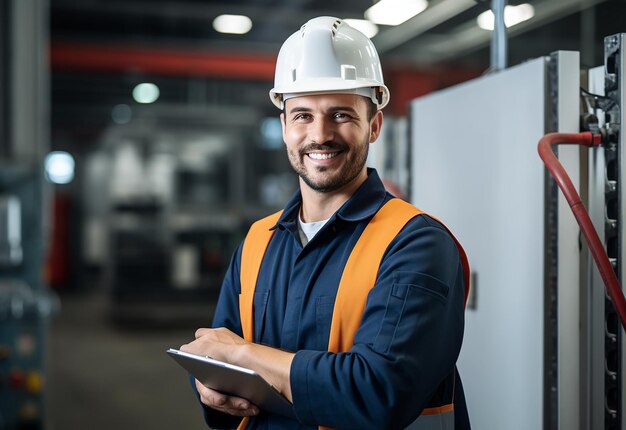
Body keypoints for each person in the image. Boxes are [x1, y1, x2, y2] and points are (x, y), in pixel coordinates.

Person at [180, 16, 471, 430]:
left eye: (340, 115)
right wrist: (207, 387)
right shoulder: (258, 240)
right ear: (284, 127)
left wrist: (245, 356)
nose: (320, 134)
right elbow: (214, 354)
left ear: (373, 126)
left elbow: (377, 393)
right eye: (302, 115)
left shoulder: (416, 244)